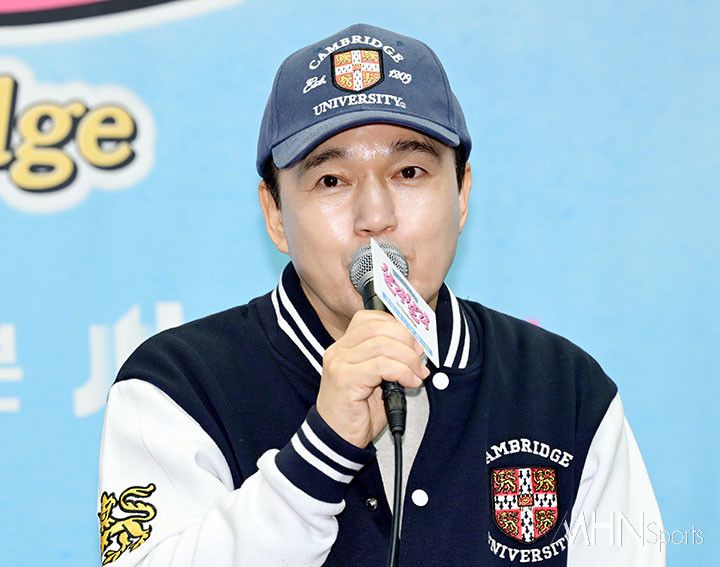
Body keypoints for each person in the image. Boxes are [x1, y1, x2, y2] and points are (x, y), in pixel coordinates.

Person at [97, 23, 664, 566]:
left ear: (462, 195)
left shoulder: (563, 388)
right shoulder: (177, 385)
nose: (375, 217)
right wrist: (322, 449)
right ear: (274, 214)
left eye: (409, 173)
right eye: (332, 181)